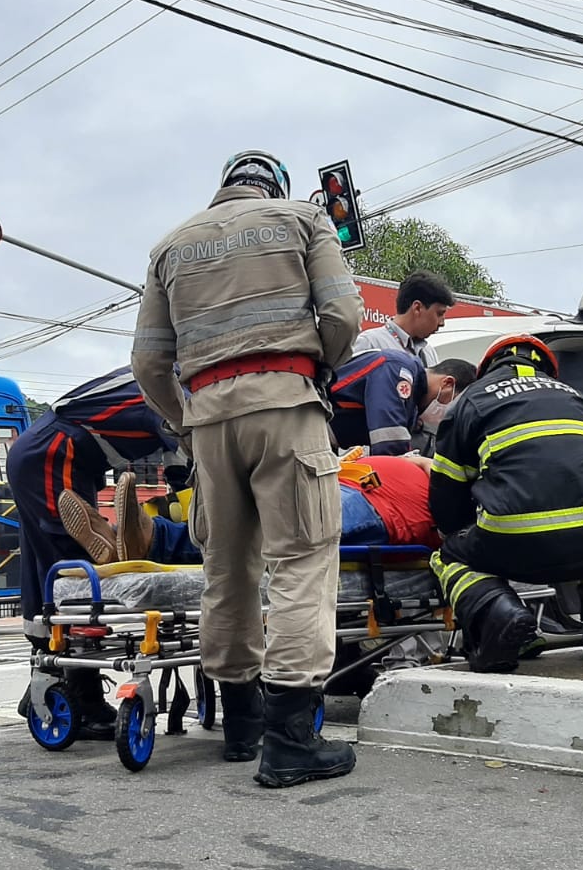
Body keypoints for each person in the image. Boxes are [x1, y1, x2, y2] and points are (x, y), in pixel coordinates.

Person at [132, 149, 363, 786]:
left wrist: (187, 420)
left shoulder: (169, 247)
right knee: (301, 559)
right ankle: (290, 738)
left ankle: (241, 726)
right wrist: (318, 368)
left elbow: (148, 364)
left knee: (227, 567)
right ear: (274, 185)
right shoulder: (304, 220)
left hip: (206, 421)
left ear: (225, 186)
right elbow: (345, 316)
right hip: (286, 403)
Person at [430, 334, 583, 671]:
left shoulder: (471, 400)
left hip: (520, 540)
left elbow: (446, 498)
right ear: (547, 369)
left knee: (449, 556)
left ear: (487, 368)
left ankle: (498, 614)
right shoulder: (579, 398)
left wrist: (463, 535)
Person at [6, 366, 181, 740]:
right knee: (75, 581)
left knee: (47, 575)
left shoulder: (158, 373)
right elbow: (187, 454)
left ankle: (49, 679)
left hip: (54, 453)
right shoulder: (173, 384)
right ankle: (80, 697)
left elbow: (179, 456)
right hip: (57, 452)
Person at [59, 453, 445, 566]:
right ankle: (118, 542)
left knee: (266, 529)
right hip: (335, 480)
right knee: (243, 512)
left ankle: (151, 538)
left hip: (380, 508)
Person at [329, 350, 476, 456]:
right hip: (312, 427)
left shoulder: (412, 407)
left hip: (326, 443)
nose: (451, 412)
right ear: (447, 383)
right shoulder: (397, 368)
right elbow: (390, 443)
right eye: (455, 403)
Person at [352, 270, 454, 366]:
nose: (442, 323)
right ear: (417, 308)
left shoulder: (428, 352)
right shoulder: (370, 343)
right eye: (439, 314)